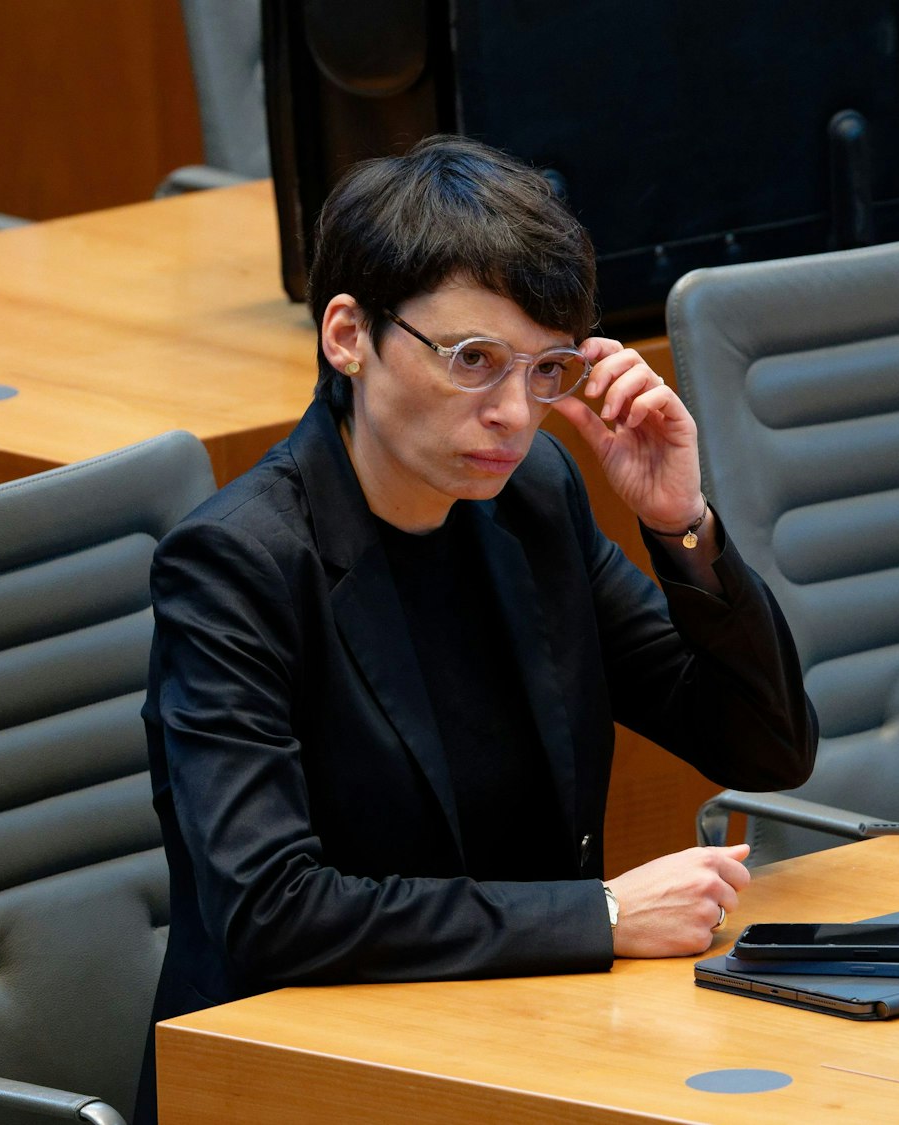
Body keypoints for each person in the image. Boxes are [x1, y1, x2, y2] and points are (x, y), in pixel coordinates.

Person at [134, 135, 817, 1120]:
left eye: (546, 372)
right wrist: (604, 915)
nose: (511, 413)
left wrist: (682, 525)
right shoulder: (240, 563)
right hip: (297, 1073)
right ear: (348, 336)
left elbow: (762, 745)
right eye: (472, 361)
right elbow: (272, 911)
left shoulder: (532, 498)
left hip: (526, 1040)